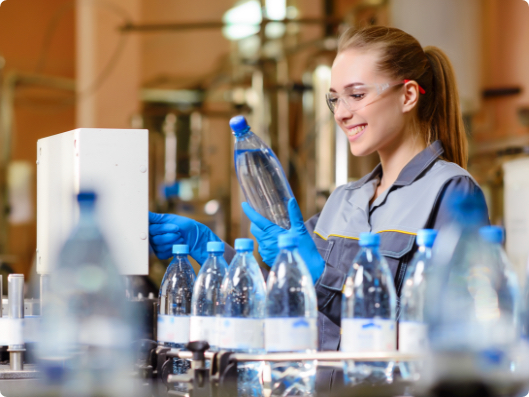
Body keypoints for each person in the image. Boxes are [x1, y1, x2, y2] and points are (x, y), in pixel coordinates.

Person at [149, 25, 489, 391]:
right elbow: (283, 304)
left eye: (356, 95)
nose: (342, 113)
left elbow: (447, 335)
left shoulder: (449, 190)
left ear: (408, 95)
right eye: (335, 99)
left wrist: (321, 278)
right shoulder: (345, 200)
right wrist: (212, 251)